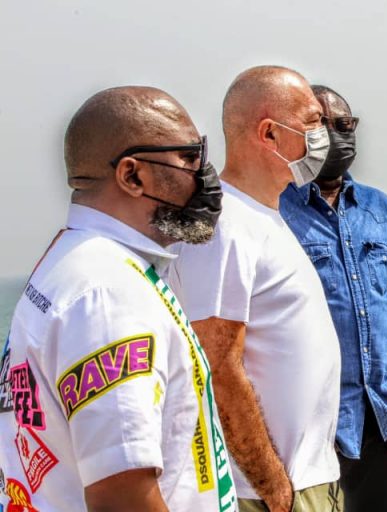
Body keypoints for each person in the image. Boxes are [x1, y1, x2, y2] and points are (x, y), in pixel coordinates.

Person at [0, 86, 237, 511]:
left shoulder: (75, 263)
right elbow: (122, 496)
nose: (205, 173)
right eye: (189, 157)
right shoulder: (109, 294)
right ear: (132, 176)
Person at [166, 66, 342, 512]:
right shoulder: (226, 227)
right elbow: (218, 365)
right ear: (269, 133)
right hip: (269, 491)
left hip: (305, 478)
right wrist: (274, 488)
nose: (323, 136)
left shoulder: (265, 216)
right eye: (313, 122)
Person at [280, 85, 387, 512]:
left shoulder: (379, 209)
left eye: (345, 124)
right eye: (322, 124)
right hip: (307, 434)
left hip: (384, 428)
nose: (337, 134)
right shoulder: (273, 212)